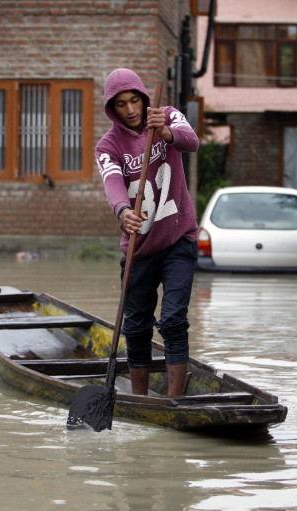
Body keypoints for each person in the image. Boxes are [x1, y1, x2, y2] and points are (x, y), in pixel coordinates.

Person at [95, 68, 199, 397]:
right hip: (139, 248)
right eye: (122, 104)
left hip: (178, 239)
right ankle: (139, 401)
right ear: (113, 108)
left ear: (143, 97)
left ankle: (174, 401)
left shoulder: (168, 116)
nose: (130, 110)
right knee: (137, 327)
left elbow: (191, 141)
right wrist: (123, 211)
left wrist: (166, 133)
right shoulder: (108, 145)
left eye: (134, 100)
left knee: (171, 320)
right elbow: (112, 181)